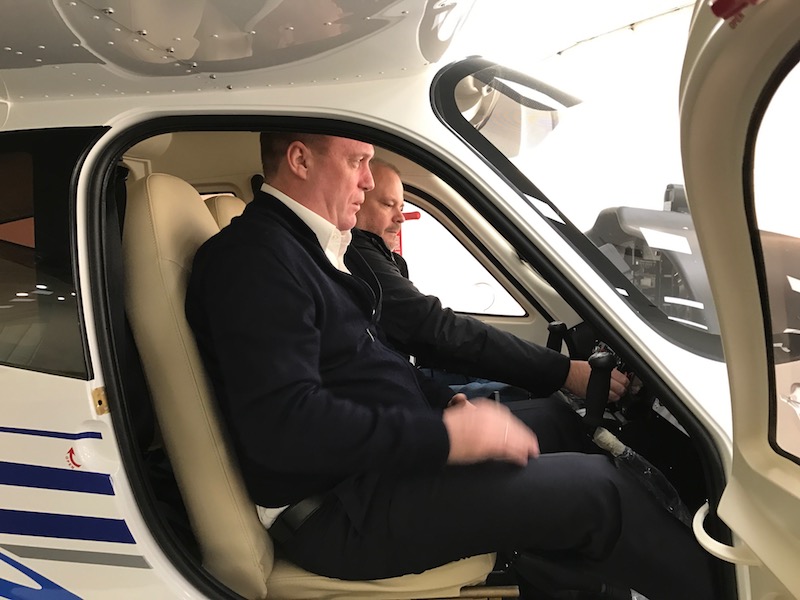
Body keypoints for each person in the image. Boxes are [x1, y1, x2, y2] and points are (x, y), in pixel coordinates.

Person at [185, 132, 718, 599]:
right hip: (340, 510)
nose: (368, 181)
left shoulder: (307, 250)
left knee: (560, 421)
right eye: (357, 162)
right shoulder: (254, 259)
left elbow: (375, 364)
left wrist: (445, 404)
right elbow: (286, 427)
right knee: (600, 492)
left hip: (376, 472)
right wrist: (445, 436)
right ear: (300, 160)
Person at [350, 158, 628, 404]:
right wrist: (563, 371)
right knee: (554, 416)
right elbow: (431, 326)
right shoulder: (359, 257)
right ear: (356, 201)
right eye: (388, 204)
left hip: (406, 378)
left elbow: (427, 337)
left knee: (521, 391)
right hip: (396, 395)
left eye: (401, 206)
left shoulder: (378, 257)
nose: (400, 217)